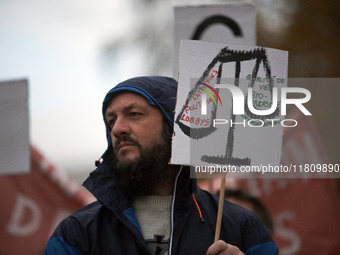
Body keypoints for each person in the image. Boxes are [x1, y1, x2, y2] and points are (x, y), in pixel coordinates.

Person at [44, 76, 278, 255]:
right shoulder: (77, 233)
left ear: (174, 127)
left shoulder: (239, 226)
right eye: (111, 120)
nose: (117, 129)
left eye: (134, 114)